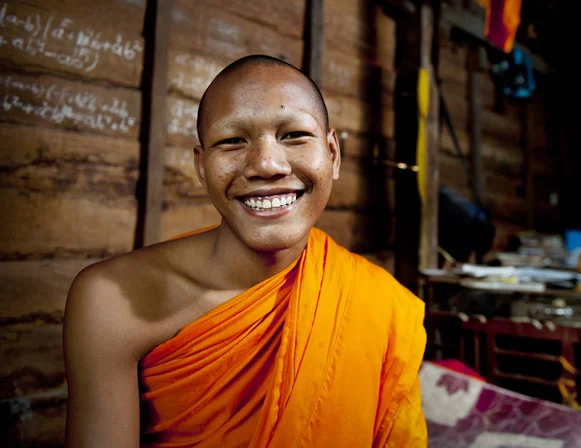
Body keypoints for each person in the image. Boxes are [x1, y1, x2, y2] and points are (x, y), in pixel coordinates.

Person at [63, 54, 427, 447]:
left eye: (294, 136)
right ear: (202, 167)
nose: (267, 165)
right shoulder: (112, 300)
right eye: (233, 141)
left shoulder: (378, 303)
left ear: (333, 155)